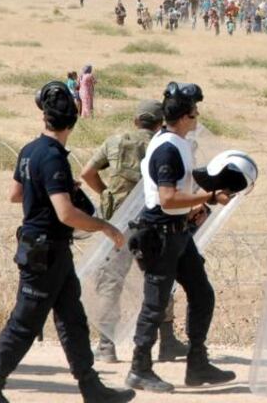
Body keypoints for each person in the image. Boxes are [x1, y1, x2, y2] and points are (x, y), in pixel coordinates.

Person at [0, 82, 134, 403]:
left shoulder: (30, 150)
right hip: (45, 251)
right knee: (24, 323)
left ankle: (90, 386)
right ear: (72, 123)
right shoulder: (53, 158)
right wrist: (104, 226)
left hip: (48, 251)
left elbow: (16, 194)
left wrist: (49, 191)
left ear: (44, 118)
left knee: (72, 319)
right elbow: (66, 214)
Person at [125, 82, 235, 393]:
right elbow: (167, 198)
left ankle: (198, 363)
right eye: (195, 112)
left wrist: (196, 206)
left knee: (202, 294)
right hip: (159, 235)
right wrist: (209, 197)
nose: (198, 116)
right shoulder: (168, 149)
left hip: (177, 233)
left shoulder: (176, 142)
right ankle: (139, 369)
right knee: (154, 305)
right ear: (186, 117)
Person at [79, 100, 187, 364]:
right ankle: (167, 341)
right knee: (161, 279)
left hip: (119, 224)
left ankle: (107, 344)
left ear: (136, 120)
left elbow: (87, 172)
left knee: (111, 280)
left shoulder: (116, 142)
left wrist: (105, 193)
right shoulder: (167, 144)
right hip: (155, 222)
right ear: (161, 121)